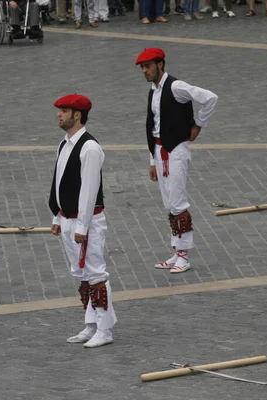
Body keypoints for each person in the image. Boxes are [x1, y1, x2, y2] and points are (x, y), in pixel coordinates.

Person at [136, 48, 218, 274]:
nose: (145, 70)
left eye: (148, 66)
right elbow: (151, 127)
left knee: (178, 201)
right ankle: (177, 249)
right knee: (169, 202)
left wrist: (199, 124)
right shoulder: (153, 92)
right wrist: (152, 160)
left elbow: (210, 98)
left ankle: (184, 254)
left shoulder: (176, 87)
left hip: (177, 150)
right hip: (161, 149)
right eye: (143, 67)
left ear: (160, 64)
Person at [50, 94, 117, 348]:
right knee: (81, 273)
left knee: (95, 273)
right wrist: (57, 215)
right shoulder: (64, 144)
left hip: (85, 221)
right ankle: (91, 323)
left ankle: (105, 328)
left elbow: (89, 191)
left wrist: (82, 226)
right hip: (68, 219)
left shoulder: (89, 147)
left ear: (77, 115)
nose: (59, 114)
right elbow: (60, 183)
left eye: (64, 111)